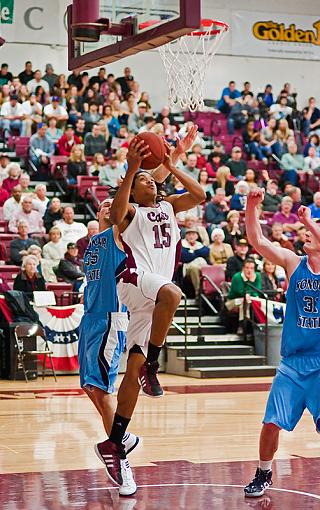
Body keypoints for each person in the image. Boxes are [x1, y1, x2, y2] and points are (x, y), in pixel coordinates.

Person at [96, 137, 205, 487]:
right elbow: (115, 212)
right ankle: (154, 365)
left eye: (151, 178)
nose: (150, 181)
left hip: (153, 298)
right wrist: (130, 169)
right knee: (173, 292)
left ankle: (115, 441)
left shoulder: (170, 205)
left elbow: (200, 195)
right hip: (134, 281)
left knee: (132, 373)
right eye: (145, 180)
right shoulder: (131, 212)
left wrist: (172, 165)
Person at [244, 189, 320, 498]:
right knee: (271, 423)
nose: (306, 233)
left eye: (312, 231)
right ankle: (263, 472)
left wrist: (309, 220)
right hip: (292, 362)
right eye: (306, 230)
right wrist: (251, 207)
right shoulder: (292, 262)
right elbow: (257, 241)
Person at [78, 197, 139, 496]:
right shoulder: (94, 242)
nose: (106, 205)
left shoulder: (121, 236)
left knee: (104, 391)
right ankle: (123, 438)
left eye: (112, 203)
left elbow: (126, 210)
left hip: (109, 320)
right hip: (89, 320)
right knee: (91, 387)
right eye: (102, 203)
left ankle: (121, 458)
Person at [180, 227, 210, 295]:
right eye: (189, 234)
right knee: (194, 268)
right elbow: (185, 257)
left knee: (210, 268)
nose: (191, 236)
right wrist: (198, 253)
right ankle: (198, 292)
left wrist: (193, 252)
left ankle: (210, 291)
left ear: (197, 236)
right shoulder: (182, 244)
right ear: (186, 236)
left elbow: (206, 252)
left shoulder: (199, 244)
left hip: (202, 266)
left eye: (193, 234)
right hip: (188, 268)